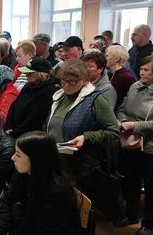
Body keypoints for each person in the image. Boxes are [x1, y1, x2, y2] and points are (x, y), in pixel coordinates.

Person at [44, 60, 119, 202]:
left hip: (81, 165)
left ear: (84, 81)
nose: (66, 85)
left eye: (72, 82)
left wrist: (86, 137)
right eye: (63, 80)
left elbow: (114, 131)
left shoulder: (96, 99)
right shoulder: (59, 97)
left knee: (78, 208)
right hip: (57, 160)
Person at [0, 131, 82, 235]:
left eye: (18, 155)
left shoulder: (58, 192)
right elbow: (7, 202)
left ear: (36, 160)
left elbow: (41, 228)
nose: (12, 158)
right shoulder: (24, 174)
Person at [117, 56, 153, 235]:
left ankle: (149, 225)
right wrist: (123, 122)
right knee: (131, 180)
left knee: (152, 186)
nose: (141, 72)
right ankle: (131, 214)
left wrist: (135, 126)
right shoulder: (135, 86)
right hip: (131, 142)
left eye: (146, 70)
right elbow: (122, 108)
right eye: (141, 69)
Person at [4, 57, 58, 138]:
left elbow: (36, 118)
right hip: (14, 133)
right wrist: (8, 126)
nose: (26, 75)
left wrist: (15, 132)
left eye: (29, 73)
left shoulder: (48, 91)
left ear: (40, 74)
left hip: (30, 137)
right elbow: (14, 106)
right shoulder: (28, 86)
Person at [105, 45, 136, 110]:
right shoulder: (111, 73)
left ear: (117, 59)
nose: (104, 58)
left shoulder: (126, 77)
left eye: (107, 56)